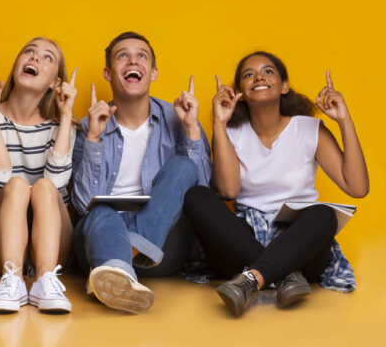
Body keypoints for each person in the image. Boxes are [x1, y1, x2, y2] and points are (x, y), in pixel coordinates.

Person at [183, 52, 369, 316]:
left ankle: (252, 279)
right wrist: (220, 124)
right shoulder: (231, 132)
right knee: (196, 196)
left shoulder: (309, 129)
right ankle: (283, 274)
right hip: (241, 246)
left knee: (323, 214)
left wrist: (344, 120)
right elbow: (228, 191)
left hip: (300, 245)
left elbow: (358, 187)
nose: (258, 76)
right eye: (249, 74)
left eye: (268, 71)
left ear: (284, 86)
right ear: (240, 93)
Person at [71, 31, 211, 313]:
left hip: (161, 247)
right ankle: (117, 267)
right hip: (101, 235)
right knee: (101, 211)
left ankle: (119, 265)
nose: (132, 61)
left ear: (153, 72)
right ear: (108, 73)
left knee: (184, 167)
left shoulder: (181, 118)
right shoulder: (89, 125)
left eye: (141, 56)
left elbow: (202, 195)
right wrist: (94, 140)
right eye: (122, 55)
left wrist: (192, 130)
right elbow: (82, 203)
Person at [0, 37, 78, 313]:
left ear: (56, 82)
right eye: (29, 51)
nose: (35, 58)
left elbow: (57, 184)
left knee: (43, 187)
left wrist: (65, 117)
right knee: (16, 186)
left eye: (47, 57)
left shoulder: (64, 125)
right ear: (17, 64)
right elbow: (0, 181)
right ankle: (12, 282)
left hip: (53, 240)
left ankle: (46, 281)